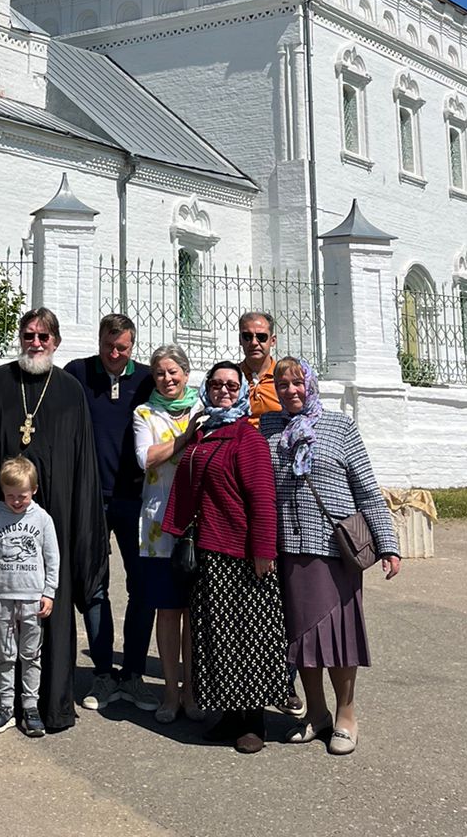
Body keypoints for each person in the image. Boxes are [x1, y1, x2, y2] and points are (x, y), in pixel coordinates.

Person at [0, 308, 107, 732]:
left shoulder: (70, 391)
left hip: (51, 526)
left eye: (43, 337)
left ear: (55, 342)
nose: (35, 344)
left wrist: (83, 532)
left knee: (45, 623)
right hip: (1, 528)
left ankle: (43, 705)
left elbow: (82, 466)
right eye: (29, 335)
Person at [262, 357, 401, 756]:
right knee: (302, 639)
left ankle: (346, 714)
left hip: (334, 550)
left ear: (311, 383)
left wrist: (387, 544)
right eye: (282, 384)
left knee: (338, 638)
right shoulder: (270, 427)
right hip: (288, 549)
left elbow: (367, 489)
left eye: (297, 383)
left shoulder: (339, 426)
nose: (290, 391)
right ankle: (316, 713)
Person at [162, 360, 285, 753]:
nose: (224, 391)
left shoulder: (245, 438)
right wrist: (178, 529)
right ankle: (229, 715)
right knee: (218, 637)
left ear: (243, 393)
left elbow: (263, 499)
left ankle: (254, 722)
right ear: (207, 388)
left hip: (242, 552)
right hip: (209, 551)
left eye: (232, 386)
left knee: (247, 636)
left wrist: (264, 550)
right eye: (217, 385)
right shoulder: (203, 433)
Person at [65, 313, 156, 711]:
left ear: (132, 346)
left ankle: (133, 674)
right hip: (92, 497)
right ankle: (102, 674)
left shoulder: (149, 379)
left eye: (122, 348)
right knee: (94, 586)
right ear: (99, 340)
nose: (115, 354)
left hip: (137, 499)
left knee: (143, 588)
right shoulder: (78, 373)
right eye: (108, 346)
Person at [132, 343, 204, 722]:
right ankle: (170, 694)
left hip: (199, 522)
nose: (167, 378)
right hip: (160, 524)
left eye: (173, 372)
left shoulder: (202, 408)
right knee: (168, 609)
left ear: (186, 374)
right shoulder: (145, 412)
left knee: (193, 610)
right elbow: (145, 458)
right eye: (160, 373)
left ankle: (192, 692)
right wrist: (184, 439)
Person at [238, 310, 304, 716]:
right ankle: (245, 680)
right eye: (247, 336)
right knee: (248, 593)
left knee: (282, 594)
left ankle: (285, 681)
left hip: (275, 491)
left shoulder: (284, 380)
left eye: (260, 335)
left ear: (273, 339)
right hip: (237, 494)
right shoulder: (231, 376)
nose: (254, 342)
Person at [0, 455, 60, 739]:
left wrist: (49, 592)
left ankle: (31, 707)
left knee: (31, 655)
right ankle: (6, 706)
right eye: (10, 495)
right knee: (6, 655)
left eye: (22, 496)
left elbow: (52, 558)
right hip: (4, 599)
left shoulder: (42, 519)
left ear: (34, 490)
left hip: (33, 600)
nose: (16, 501)